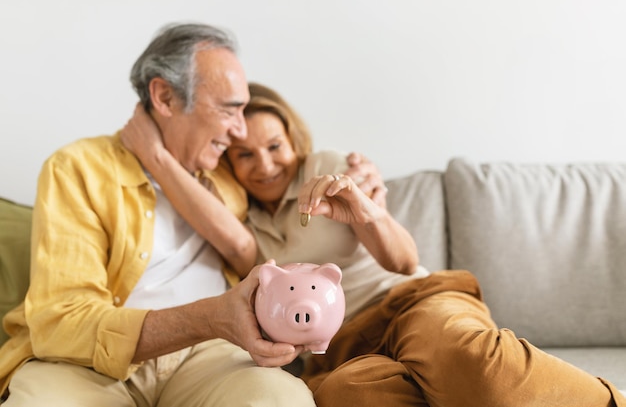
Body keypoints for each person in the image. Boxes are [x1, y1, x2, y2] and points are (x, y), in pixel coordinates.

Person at [121, 81, 626, 407]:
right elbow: (231, 242)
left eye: (274, 146)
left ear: (293, 140)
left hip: (412, 303)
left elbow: (404, 260)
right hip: (338, 351)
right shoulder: (236, 218)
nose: (265, 164)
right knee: (346, 397)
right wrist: (155, 153)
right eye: (245, 155)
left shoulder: (328, 171)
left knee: (466, 363)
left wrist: (365, 209)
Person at [0, 23, 320, 406]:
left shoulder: (231, 171)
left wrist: (354, 176)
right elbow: (61, 321)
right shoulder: (79, 167)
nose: (239, 132)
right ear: (165, 96)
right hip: (87, 365)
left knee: (277, 400)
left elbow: (293, 180)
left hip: (212, 356)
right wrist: (210, 316)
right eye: (229, 109)